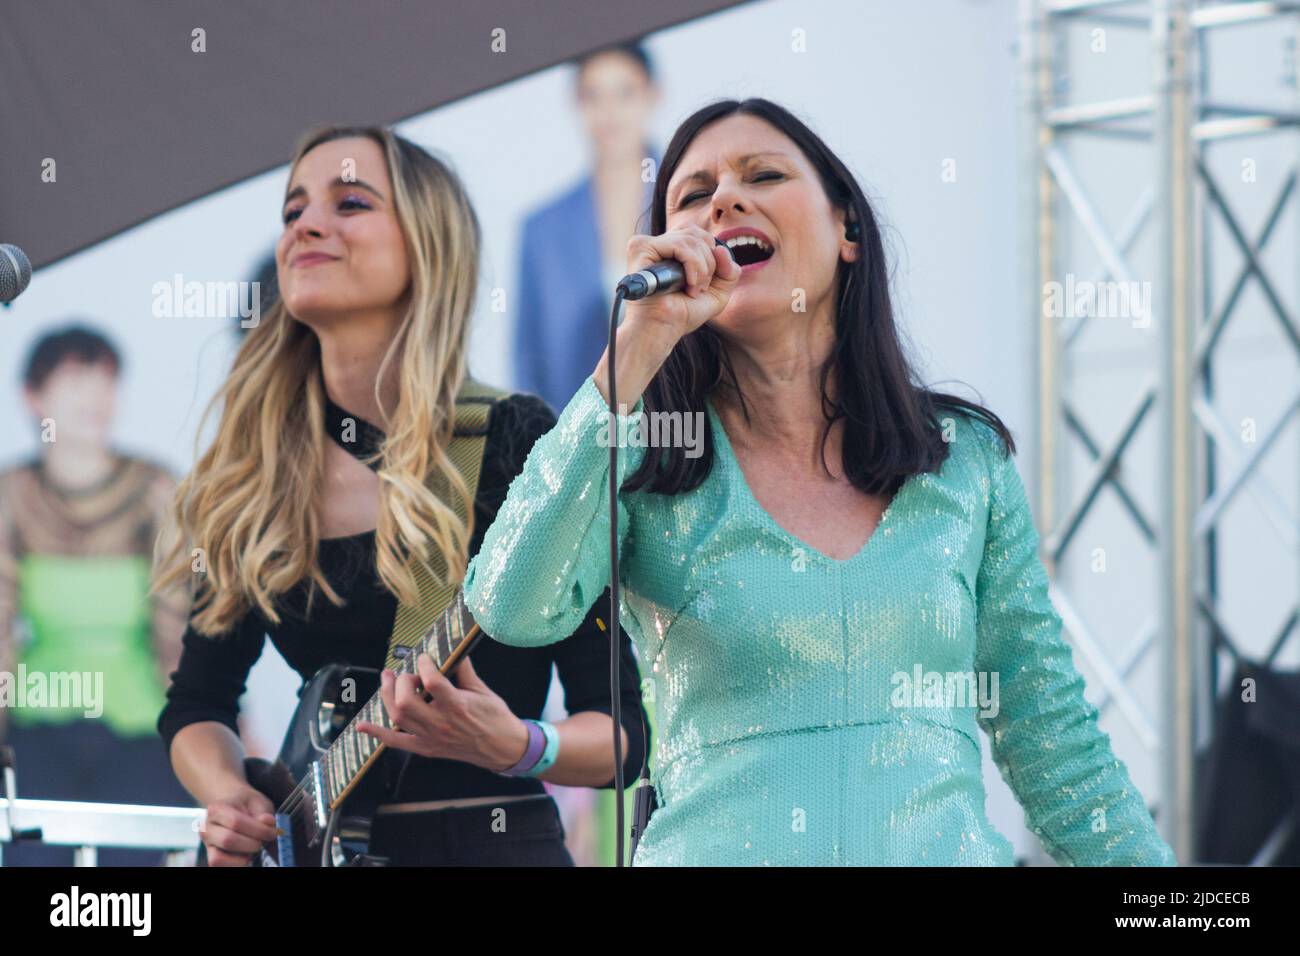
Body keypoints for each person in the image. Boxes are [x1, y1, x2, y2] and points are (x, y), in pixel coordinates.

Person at [463, 98, 1178, 866]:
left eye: (763, 174)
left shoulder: (963, 459)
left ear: (847, 232)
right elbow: (513, 608)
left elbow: (1052, 736)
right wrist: (632, 357)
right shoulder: (641, 461)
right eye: (693, 196)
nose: (724, 200)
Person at [153, 125, 646, 867]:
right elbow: (198, 703)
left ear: (426, 246)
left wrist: (516, 745)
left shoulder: (512, 440)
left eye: (350, 202)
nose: (307, 226)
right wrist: (231, 797)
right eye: (293, 212)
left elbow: (622, 736)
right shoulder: (249, 476)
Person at [0, 326, 193, 866]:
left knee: (126, 897)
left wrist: (212, 735)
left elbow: (185, 630)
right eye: (76, 380)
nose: (96, 396)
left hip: (144, 728)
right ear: (33, 397)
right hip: (36, 728)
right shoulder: (9, 494)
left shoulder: (155, 485)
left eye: (107, 380)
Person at [513, 42, 661, 413]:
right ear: (576, 103)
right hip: (581, 446)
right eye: (593, 95)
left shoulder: (699, 203)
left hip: (688, 436)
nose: (609, 112)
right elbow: (529, 367)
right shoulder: (541, 231)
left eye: (625, 92)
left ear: (653, 95)